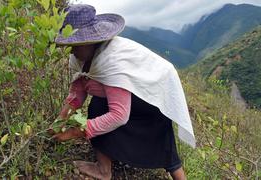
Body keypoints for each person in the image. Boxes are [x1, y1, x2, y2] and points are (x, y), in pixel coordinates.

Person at [52, 4, 196, 180]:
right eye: (69, 45)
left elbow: (119, 115)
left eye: (76, 45)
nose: (72, 50)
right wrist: (60, 122)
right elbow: (78, 92)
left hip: (150, 98)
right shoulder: (78, 58)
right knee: (97, 107)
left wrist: (77, 132)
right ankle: (104, 169)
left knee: (163, 144)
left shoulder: (112, 61)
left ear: (91, 41)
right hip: (126, 99)